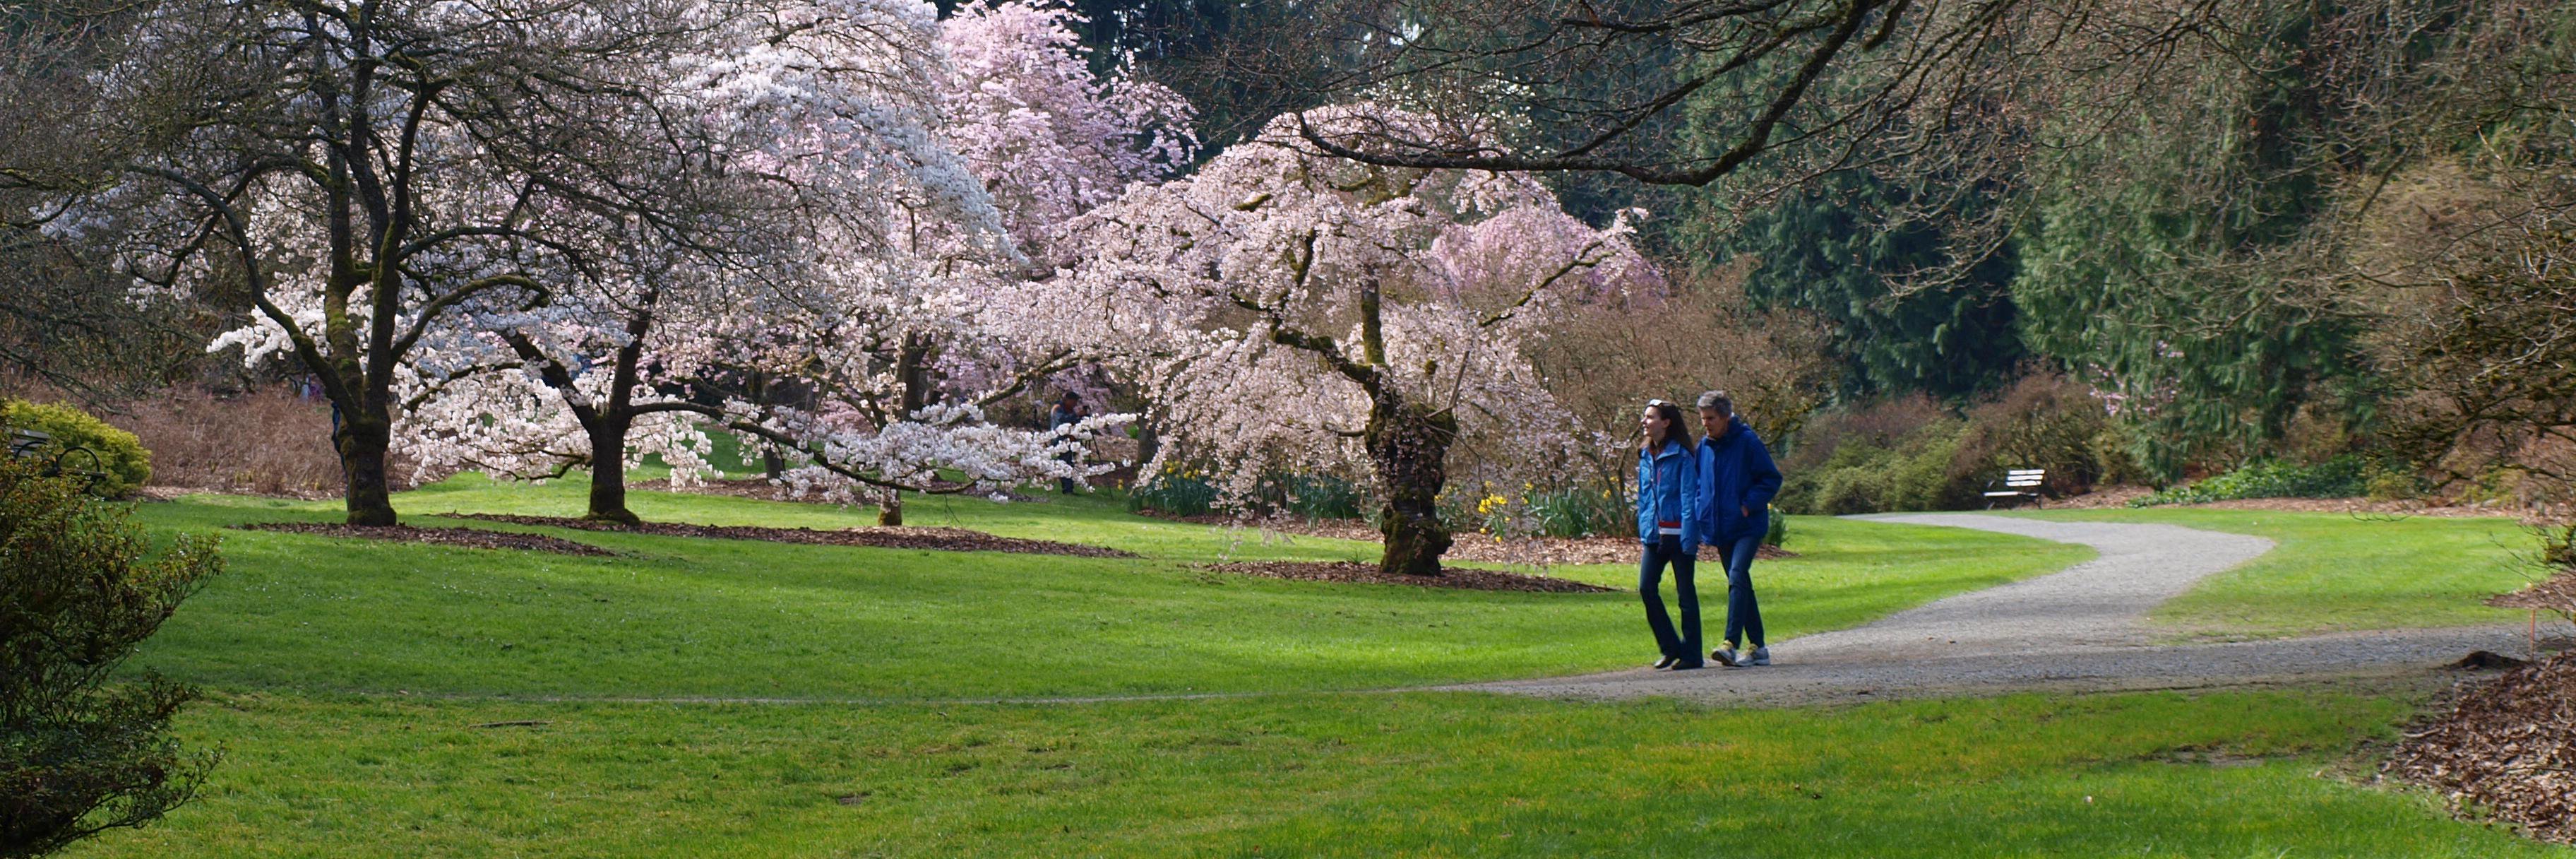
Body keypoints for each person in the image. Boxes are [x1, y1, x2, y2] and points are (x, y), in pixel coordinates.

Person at [1695, 391, 1784, 668]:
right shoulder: (1704, 448)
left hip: (1748, 524)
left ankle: (1730, 643)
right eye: (1702, 419)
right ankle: (1759, 648)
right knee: (1740, 583)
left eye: (1710, 418)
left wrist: (1749, 504)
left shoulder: (1747, 442)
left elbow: (1771, 478)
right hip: (1721, 527)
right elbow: (1700, 484)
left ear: (1725, 417)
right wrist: (1702, 510)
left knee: (1737, 575)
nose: (1706, 424)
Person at [1634, 399, 1703, 670]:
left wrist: (1688, 537)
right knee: (1646, 588)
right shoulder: (1645, 455)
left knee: (1686, 594)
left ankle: (1693, 655)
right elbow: (1644, 497)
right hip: (1654, 535)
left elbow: (1688, 497)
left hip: (1678, 534)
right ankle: (1671, 647)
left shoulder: (1683, 456)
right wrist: (1644, 527)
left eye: (1650, 417)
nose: (1644, 421)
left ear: (1666, 423)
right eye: (1645, 416)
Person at [1049, 393, 1085, 494]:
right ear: (1067, 400)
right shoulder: (1058, 409)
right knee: (1065, 464)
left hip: (1069, 439)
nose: (1075, 404)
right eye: (1074, 402)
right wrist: (1077, 415)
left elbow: (1073, 421)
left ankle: (1069, 488)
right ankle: (1067, 489)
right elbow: (1062, 420)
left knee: (1069, 463)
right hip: (1060, 440)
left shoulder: (1068, 409)